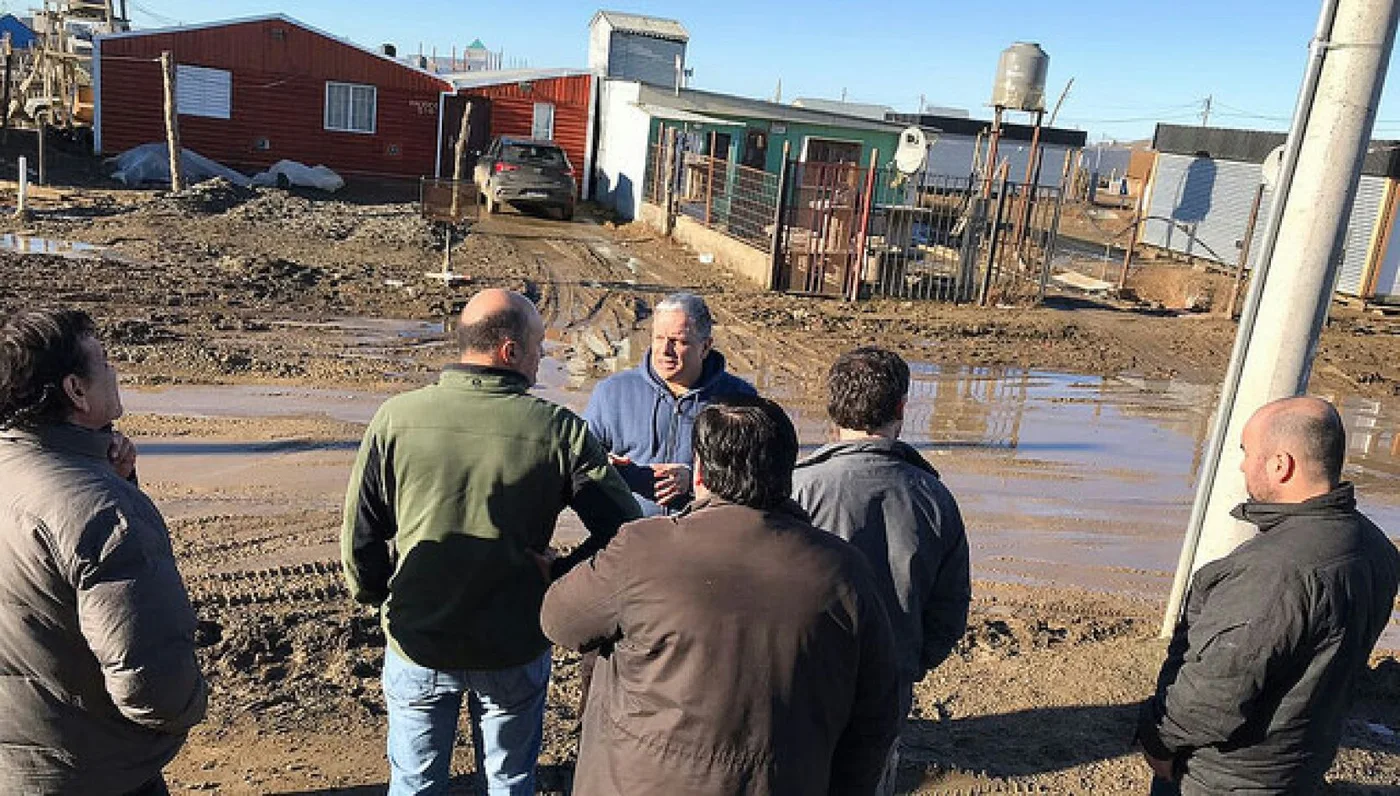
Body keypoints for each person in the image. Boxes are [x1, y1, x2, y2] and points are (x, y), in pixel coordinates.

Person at [341, 288, 640, 796]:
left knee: (414, 782)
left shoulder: (395, 419)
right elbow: (624, 531)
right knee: (509, 781)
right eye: (539, 345)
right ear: (510, 351)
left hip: (419, 641)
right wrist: (565, 574)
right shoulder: (560, 431)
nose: (543, 357)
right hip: (513, 643)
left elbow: (362, 536)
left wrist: (378, 597)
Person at [541, 394, 901, 795]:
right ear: (787, 471)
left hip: (639, 780)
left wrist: (560, 565)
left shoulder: (642, 547)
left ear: (698, 472)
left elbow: (559, 621)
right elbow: (877, 710)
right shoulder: (843, 572)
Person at [1137, 396, 1400, 795]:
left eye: (1247, 453)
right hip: (1299, 767)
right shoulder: (1374, 546)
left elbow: (1213, 693)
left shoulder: (1272, 572)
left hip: (1227, 780)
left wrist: (1159, 740)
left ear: (1281, 464)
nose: (1243, 465)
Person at [0, 308, 207, 796]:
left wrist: (107, 474)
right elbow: (154, 686)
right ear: (76, 390)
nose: (115, 372)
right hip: (88, 772)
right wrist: (191, 705)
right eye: (105, 361)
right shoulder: (103, 511)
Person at [792, 347, 971, 795]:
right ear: (900, 408)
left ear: (833, 407)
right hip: (888, 683)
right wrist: (909, 662)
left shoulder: (797, 488)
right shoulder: (934, 498)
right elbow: (950, 610)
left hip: (804, 678)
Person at [583, 291, 756, 517]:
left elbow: (754, 476)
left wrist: (695, 480)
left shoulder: (739, 400)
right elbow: (579, 460)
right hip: (628, 538)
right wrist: (611, 468)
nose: (665, 351)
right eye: (659, 338)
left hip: (704, 539)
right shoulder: (612, 392)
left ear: (705, 347)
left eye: (679, 341)